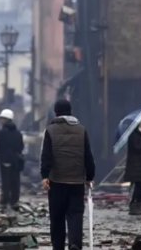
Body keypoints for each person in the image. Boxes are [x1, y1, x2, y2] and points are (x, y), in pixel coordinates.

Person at [41, 99, 96, 250]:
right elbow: (88, 156)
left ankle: (58, 247)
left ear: (56, 112)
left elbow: (46, 155)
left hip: (57, 182)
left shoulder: (50, 130)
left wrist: (44, 176)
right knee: (75, 215)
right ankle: (74, 244)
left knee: (57, 217)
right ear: (70, 111)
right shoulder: (81, 130)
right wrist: (90, 177)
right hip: (77, 182)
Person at [0, 108, 24, 211]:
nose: (1, 120)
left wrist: (4, 154)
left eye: (2, 118)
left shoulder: (1, 133)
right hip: (16, 161)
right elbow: (21, 147)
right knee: (15, 182)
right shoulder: (18, 133)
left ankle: (4, 202)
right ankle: (14, 201)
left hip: (5, 160)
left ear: (6, 119)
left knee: (5, 182)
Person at [124, 122, 141, 216]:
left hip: (140, 166)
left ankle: (138, 205)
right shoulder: (133, 136)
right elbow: (137, 147)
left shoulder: (139, 135)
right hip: (135, 167)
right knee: (138, 187)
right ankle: (134, 206)